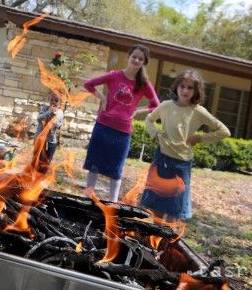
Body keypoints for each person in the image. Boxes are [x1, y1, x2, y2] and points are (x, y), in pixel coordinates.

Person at [139, 70, 230, 220]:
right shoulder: (166, 106)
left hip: (182, 164)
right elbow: (149, 119)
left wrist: (200, 138)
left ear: (196, 91)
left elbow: (224, 131)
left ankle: (167, 240)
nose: (185, 90)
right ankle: (152, 239)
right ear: (176, 87)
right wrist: (155, 134)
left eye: (190, 88)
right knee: (157, 205)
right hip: (162, 159)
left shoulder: (198, 111)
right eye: (182, 86)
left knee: (174, 208)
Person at [83, 44, 160, 202]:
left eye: (140, 59)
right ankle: (87, 196)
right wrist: (102, 97)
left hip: (123, 132)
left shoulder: (144, 84)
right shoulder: (114, 75)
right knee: (94, 165)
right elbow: (88, 84)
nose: (136, 60)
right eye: (134, 57)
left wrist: (138, 110)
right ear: (128, 57)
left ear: (143, 63)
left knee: (116, 170)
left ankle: (113, 203)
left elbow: (156, 105)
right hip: (103, 126)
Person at [35, 91, 65, 164]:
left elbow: (57, 124)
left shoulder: (60, 112)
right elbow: (39, 119)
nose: (53, 102)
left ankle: (43, 174)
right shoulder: (45, 108)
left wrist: (53, 115)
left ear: (60, 102)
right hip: (40, 137)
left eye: (56, 100)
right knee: (38, 159)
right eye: (51, 100)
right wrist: (48, 112)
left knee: (47, 161)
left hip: (51, 139)